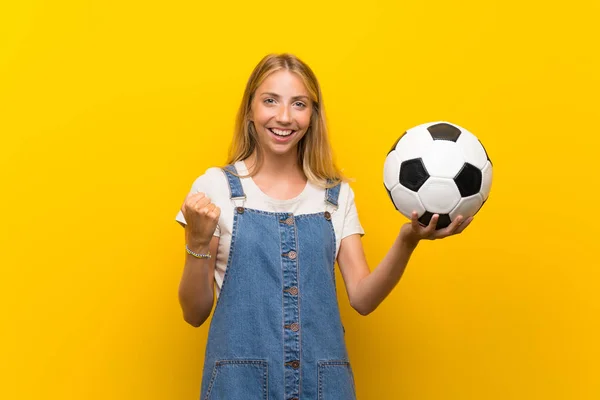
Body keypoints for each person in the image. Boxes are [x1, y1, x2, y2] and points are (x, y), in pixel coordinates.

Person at [175, 53, 472, 400]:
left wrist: (408, 240)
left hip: (324, 389)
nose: (283, 117)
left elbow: (362, 298)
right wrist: (196, 241)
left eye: (298, 104)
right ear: (250, 110)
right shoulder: (215, 188)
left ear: (312, 116)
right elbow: (194, 313)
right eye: (270, 100)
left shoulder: (335, 195)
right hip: (238, 388)